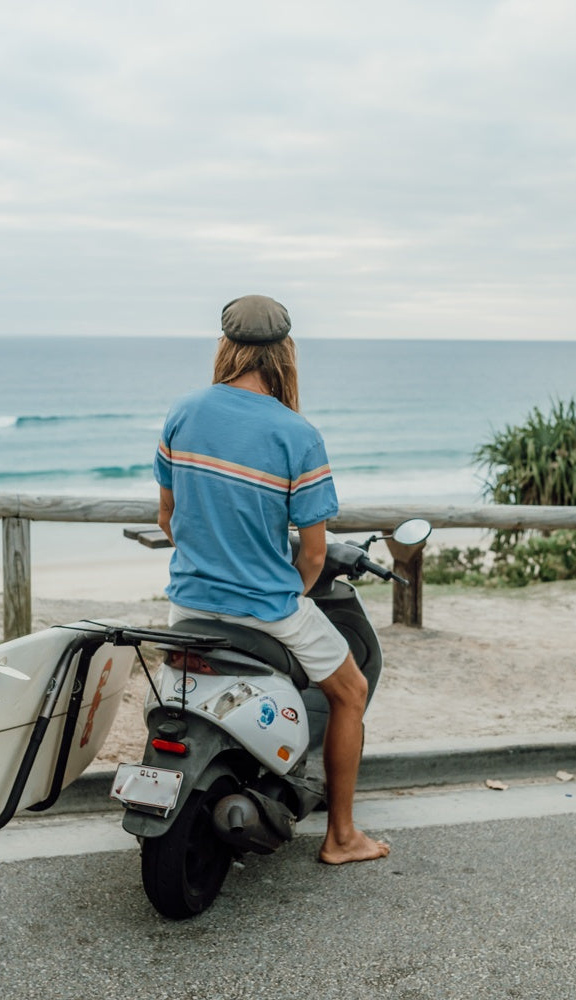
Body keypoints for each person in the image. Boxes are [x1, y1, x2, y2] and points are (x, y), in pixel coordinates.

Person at [153, 294, 389, 865]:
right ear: (284, 353)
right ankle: (341, 837)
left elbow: (168, 519)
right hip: (265, 608)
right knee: (351, 689)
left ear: (226, 348)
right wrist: (280, 590)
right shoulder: (296, 434)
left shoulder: (183, 414)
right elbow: (312, 555)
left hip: (187, 605)